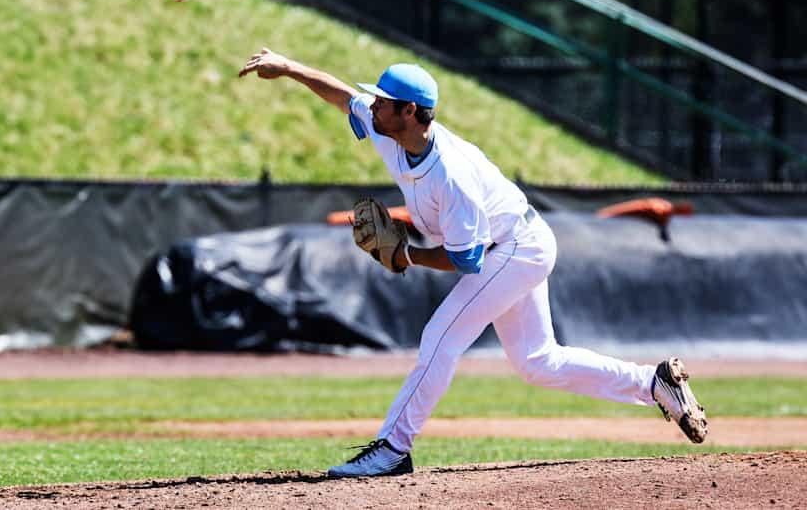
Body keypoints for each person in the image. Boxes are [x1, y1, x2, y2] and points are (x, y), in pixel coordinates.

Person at [238, 48, 708, 478]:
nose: (373, 106)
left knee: (440, 335)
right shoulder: (389, 131)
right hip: (515, 241)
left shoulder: (451, 174)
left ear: (410, 111)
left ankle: (393, 449)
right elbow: (344, 97)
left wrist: (406, 255)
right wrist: (290, 67)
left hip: (516, 248)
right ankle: (654, 382)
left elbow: (466, 259)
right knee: (538, 362)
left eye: (383, 101)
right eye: (376, 99)